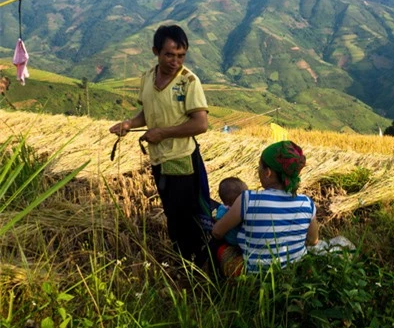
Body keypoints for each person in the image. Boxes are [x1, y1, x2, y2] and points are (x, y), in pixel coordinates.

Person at [109, 24, 210, 265]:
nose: (176, 61)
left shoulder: (188, 82)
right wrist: (130, 124)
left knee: (186, 214)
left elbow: (200, 124)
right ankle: (182, 258)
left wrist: (163, 133)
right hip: (158, 158)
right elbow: (148, 112)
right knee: (172, 210)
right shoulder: (147, 78)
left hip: (181, 158)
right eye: (169, 55)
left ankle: (194, 262)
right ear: (156, 51)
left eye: (181, 55)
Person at [212, 140, 319, 274]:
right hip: (292, 274)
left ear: (268, 172)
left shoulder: (248, 199)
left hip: (256, 279)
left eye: (259, 167)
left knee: (219, 246)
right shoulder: (307, 203)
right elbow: (313, 241)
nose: (258, 170)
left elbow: (217, 232)